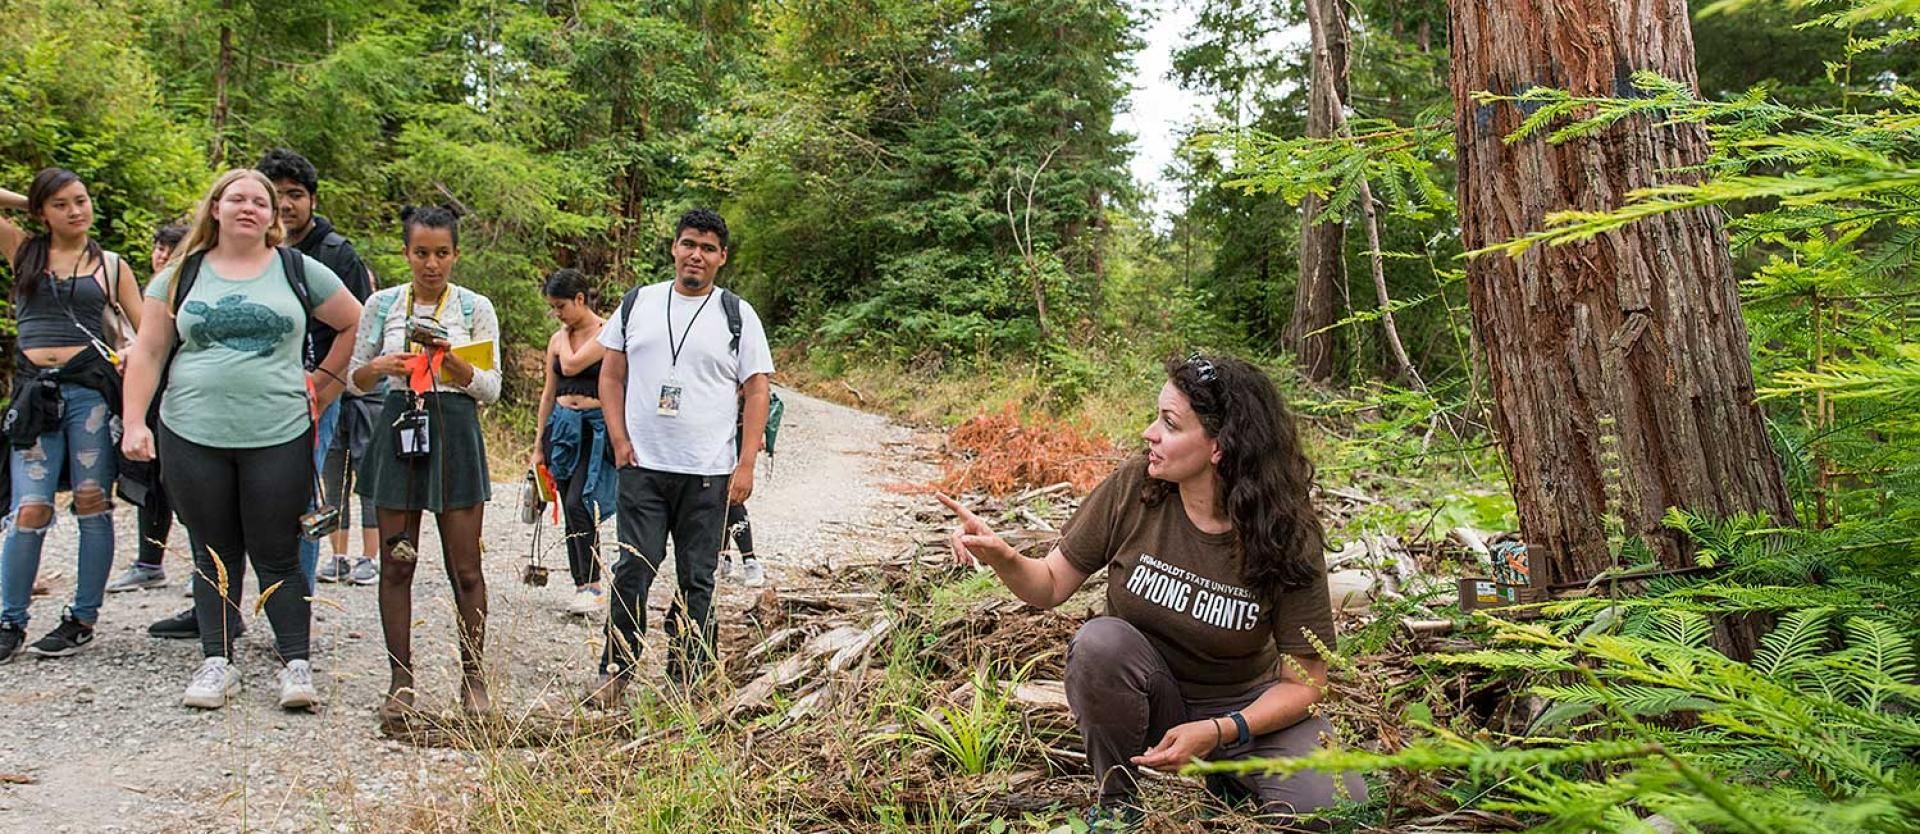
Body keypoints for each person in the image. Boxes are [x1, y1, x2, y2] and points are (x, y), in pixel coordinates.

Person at [938, 354, 1367, 830]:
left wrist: (1220, 730)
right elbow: (1051, 585)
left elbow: (1304, 683)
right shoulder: (1135, 487)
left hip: (1245, 711)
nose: (1149, 433)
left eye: (1169, 422)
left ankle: (1229, 779)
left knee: (1332, 805)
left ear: (1220, 447)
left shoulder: (1284, 532)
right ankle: (1118, 802)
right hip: (1151, 698)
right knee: (1100, 643)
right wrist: (1003, 555)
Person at [120, 169, 363, 710]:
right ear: (216, 209)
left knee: (278, 550)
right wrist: (134, 421)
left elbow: (354, 322)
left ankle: (296, 663)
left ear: (273, 216)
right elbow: (150, 351)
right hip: (191, 429)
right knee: (213, 551)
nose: (249, 208)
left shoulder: (298, 270)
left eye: (260, 201)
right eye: (237, 199)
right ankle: (217, 661)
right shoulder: (181, 275)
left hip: (278, 430)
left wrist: (325, 386)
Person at [587, 209, 773, 706]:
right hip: (643, 466)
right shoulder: (638, 303)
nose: (697, 255)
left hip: (709, 472)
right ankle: (615, 670)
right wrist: (619, 439)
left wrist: (747, 462)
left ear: (722, 258)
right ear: (674, 248)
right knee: (633, 568)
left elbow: (757, 391)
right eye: (689, 244)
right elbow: (610, 376)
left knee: (697, 576)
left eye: (708, 248)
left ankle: (688, 679)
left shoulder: (737, 314)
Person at [348, 205, 501, 722]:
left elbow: (492, 388)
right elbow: (355, 379)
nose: (431, 264)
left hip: (455, 429)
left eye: (441, 253)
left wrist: (453, 362)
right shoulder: (383, 303)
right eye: (421, 253)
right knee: (397, 562)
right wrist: (382, 366)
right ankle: (400, 680)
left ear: (456, 254)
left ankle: (474, 679)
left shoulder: (475, 307)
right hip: (400, 426)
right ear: (406, 253)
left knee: (466, 567)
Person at [0, 168, 145, 662]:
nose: (75, 211)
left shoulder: (111, 265)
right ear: (42, 212)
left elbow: (146, 330)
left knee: (91, 500)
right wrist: (31, 199)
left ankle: (82, 617)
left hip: (90, 391)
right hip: (34, 393)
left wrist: (133, 356)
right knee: (30, 508)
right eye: (60, 204)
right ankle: (10, 619)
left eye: (80, 200)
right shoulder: (24, 249)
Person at [255, 149, 378, 589]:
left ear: (313, 199)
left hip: (315, 393)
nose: (286, 204)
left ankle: (298, 600)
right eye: (276, 194)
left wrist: (325, 390)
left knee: (303, 495)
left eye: (296, 194)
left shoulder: (335, 253)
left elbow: (362, 326)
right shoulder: (248, 251)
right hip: (253, 392)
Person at [106, 221, 187, 593]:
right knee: (146, 481)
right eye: (158, 247)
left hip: (184, 399)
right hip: (145, 399)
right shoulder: (142, 293)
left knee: (187, 485)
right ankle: (148, 562)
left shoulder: (192, 291)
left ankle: (206, 569)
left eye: (171, 248)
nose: (162, 255)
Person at [529, 268, 614, 616]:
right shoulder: (556, 339)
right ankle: (582, 584)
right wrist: (538, 446)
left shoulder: (607, 332)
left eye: (561, 306)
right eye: (553, 308)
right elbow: (548, 393)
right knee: (567, 504)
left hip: (594, 426)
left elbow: (573, 364)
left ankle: (594, 583)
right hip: (562, 425)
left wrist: (564, 336)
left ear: (580, 299)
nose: (557, 315)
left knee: (582, 500)